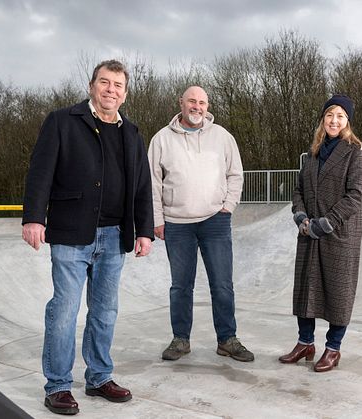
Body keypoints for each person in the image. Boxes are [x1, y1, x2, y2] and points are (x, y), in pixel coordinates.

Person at [22, 59, 154, 415]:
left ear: (125, 94)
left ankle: (98, 377)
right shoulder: (63, 121)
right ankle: (59, 386)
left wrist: (145, 230)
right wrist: (34, 217)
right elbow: (40, 171)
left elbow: (142, 186)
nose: (111, 90)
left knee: (105, 312)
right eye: (105, 82)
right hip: (71, 233)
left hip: (114, 236)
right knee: (64, 311)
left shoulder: (132, 132)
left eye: (118, 85)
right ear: (92, 85)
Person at [148, 85, 254, 363]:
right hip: (176, 223)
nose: (197, 106)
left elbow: (236, 174)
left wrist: (227, 207)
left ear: (207, 107)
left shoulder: (222, 137)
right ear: (181, 103)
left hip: (214, 222)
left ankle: (227, 339)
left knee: (222, 284)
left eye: (202, 102)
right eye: (192, 101)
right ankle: (180, 339)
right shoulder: (161, 139)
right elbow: (152, 183)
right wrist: (157, 220)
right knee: (180, 286)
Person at [279, 94, 362, 372]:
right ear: (323, 119)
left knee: (338, 292)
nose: (334, 120)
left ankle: (333, 348)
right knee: (306, 291)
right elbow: (298, 190)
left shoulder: (358, 153)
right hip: (309, 232)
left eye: (340, 116)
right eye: (330, 115)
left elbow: (355, 196)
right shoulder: (312, 154)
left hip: (339, 234)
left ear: (348, 121)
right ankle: (305, 342)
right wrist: (301, 216)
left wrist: (326, 223)